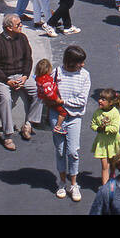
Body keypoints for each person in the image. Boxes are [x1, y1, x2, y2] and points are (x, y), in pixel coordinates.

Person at [0, 15, 43, 150]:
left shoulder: (22, 38)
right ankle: (8, 135)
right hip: (3, 78)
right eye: (18, 25)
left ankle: (29, 124)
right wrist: (7, 81)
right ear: (9, 28)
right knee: (6, 99)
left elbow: (28, 59)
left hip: (20, 75)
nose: (21, 26)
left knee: (39, 91)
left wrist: (25, 77)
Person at [50, 46, 91, 202]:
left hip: (74, 118)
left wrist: (62, 102)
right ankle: (62, 183)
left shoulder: (85, 76)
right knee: (60, 151)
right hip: (56, 117)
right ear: (71, 62)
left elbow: (82, 101)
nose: (83, 65)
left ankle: (74, 184)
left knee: (73, 152)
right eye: (80, 62)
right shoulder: (56, 73)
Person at [91, 89, 120, 184]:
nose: (100, 101)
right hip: (102, 143)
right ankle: (105, 188)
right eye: (100, 98)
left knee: (113, 162)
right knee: (104, 166)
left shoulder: (115, 113)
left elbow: (115, 128)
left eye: (103, 99)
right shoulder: (97, 112)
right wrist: (97, 128)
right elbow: (93, 124)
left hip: (113, 142)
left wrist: (105, 129)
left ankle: (113, 173)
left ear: (110, 102)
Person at [36, 57, 69, 134]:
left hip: (44, 99)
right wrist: (57, 99)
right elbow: (49, 93)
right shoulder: (46, 80)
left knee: (49, 108)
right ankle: (58, 126)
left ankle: (48, 119)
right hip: (52, 99)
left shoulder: (39, 78)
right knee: (63, 112)